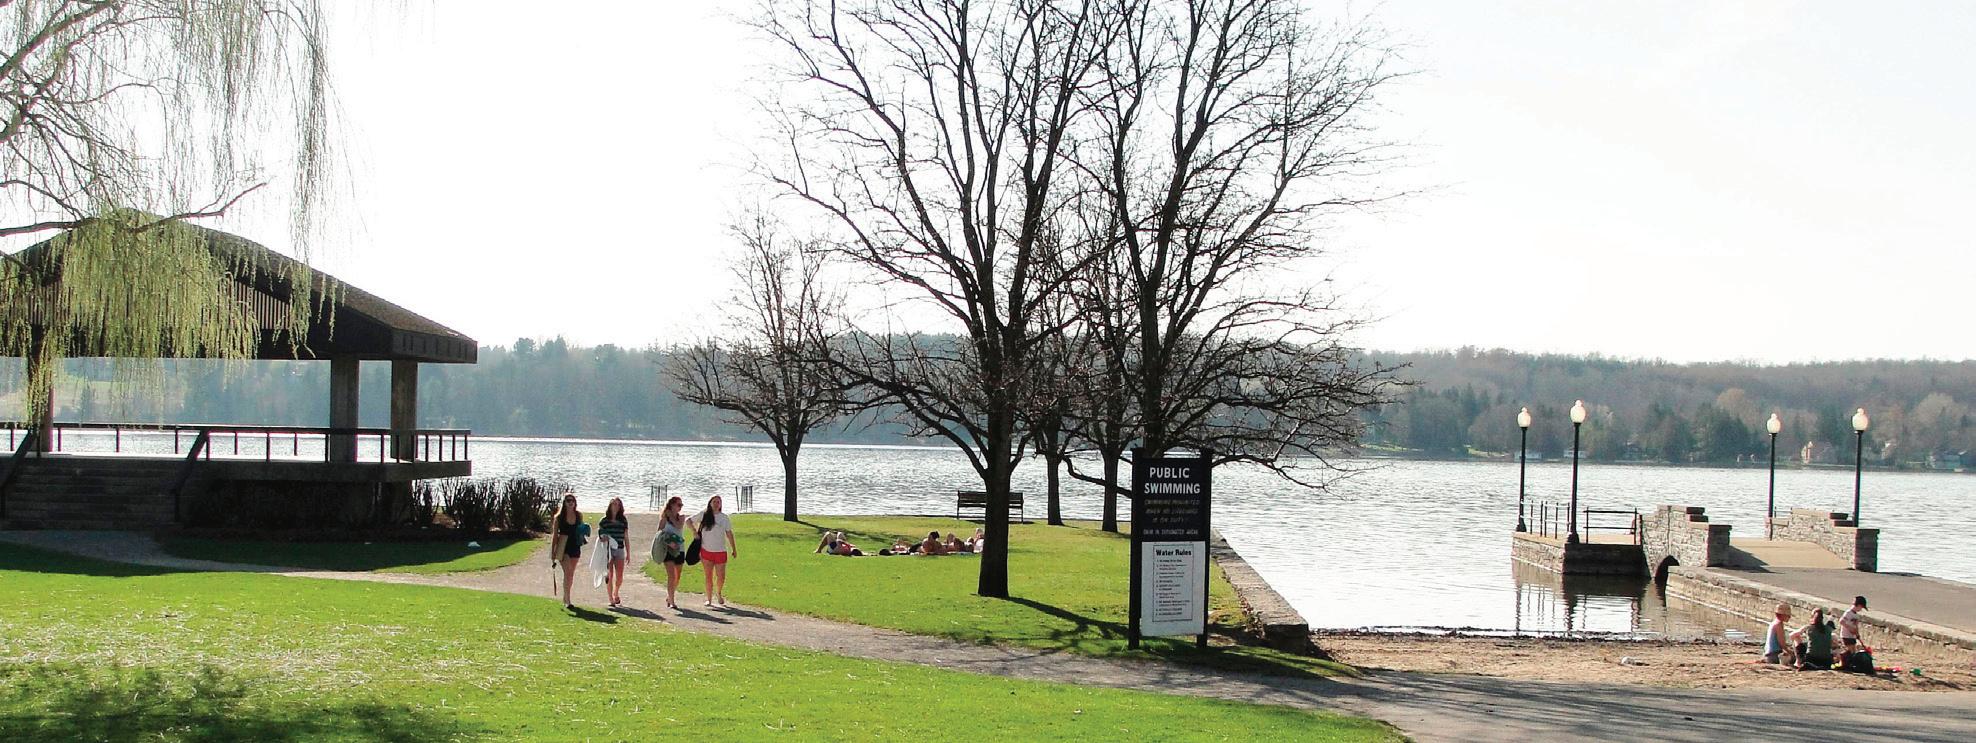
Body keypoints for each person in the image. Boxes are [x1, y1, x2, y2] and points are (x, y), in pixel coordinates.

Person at [691, 495, 737, 607]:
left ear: (721, 504)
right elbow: (689, 520)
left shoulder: (724, 518)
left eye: (718, 502)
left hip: (720, 551)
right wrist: (694, 532)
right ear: (710, 503)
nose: (716, 504)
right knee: (708, 576)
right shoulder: (704, 515)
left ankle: (719, 593)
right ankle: (709, 599)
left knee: (721, 576)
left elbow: (729, 534)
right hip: (706, 550)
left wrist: (733, 548)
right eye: (714, 502)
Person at [548, 494, 586, 610]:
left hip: (575, 545)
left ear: (575, 503)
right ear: (564, 503)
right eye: (568, 500)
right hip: (563, 546)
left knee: (570, 574)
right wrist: (553, 552)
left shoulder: (578, 515)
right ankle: (568, 600)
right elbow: (555, 535)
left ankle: (566, 596)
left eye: (572, 500)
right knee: (568, 571)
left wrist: (585, 531)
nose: (570, 502)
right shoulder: (559, 517)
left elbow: (581, 530)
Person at [654, 496, 688, 609]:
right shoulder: (664, 519)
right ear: (672, 505)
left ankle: (669, 596)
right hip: (668, 549)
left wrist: (671, 516)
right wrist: (668, 542)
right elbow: (659, 534)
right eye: (678, 505)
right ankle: (672, 601)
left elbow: (678, 526)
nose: (680, 507)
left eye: (681, 505)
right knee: (671, 576)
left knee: (677, 576)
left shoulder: (681, 517)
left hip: (679, 548)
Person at [596, 498, 630, 608]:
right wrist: (603, 538)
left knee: (619, 576)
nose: (615, 506)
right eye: (614, 504)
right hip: (608, 550)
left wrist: (628, 553)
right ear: (610, 506)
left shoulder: (623, 520)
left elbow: (626, 537)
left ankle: (616, 592)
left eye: (618, 505)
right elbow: (600, 535)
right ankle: (610, 598)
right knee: (609, 574)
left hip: (619, 549)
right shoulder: (604, 521)